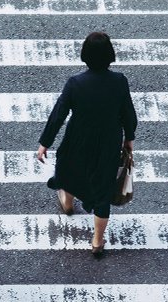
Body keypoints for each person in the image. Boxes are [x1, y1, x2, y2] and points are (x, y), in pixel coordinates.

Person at [36, 31, 137, 259]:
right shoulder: (119, 82)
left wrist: (45, 142)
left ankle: (68, 201)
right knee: (103, 188)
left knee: (69, 169)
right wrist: (129, 137)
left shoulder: (75, 84)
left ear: (85, 55)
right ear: (110, 55)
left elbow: (58, 114)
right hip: (108, 141)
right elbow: (128, 113)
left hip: (78, 139)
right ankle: (97, 240)